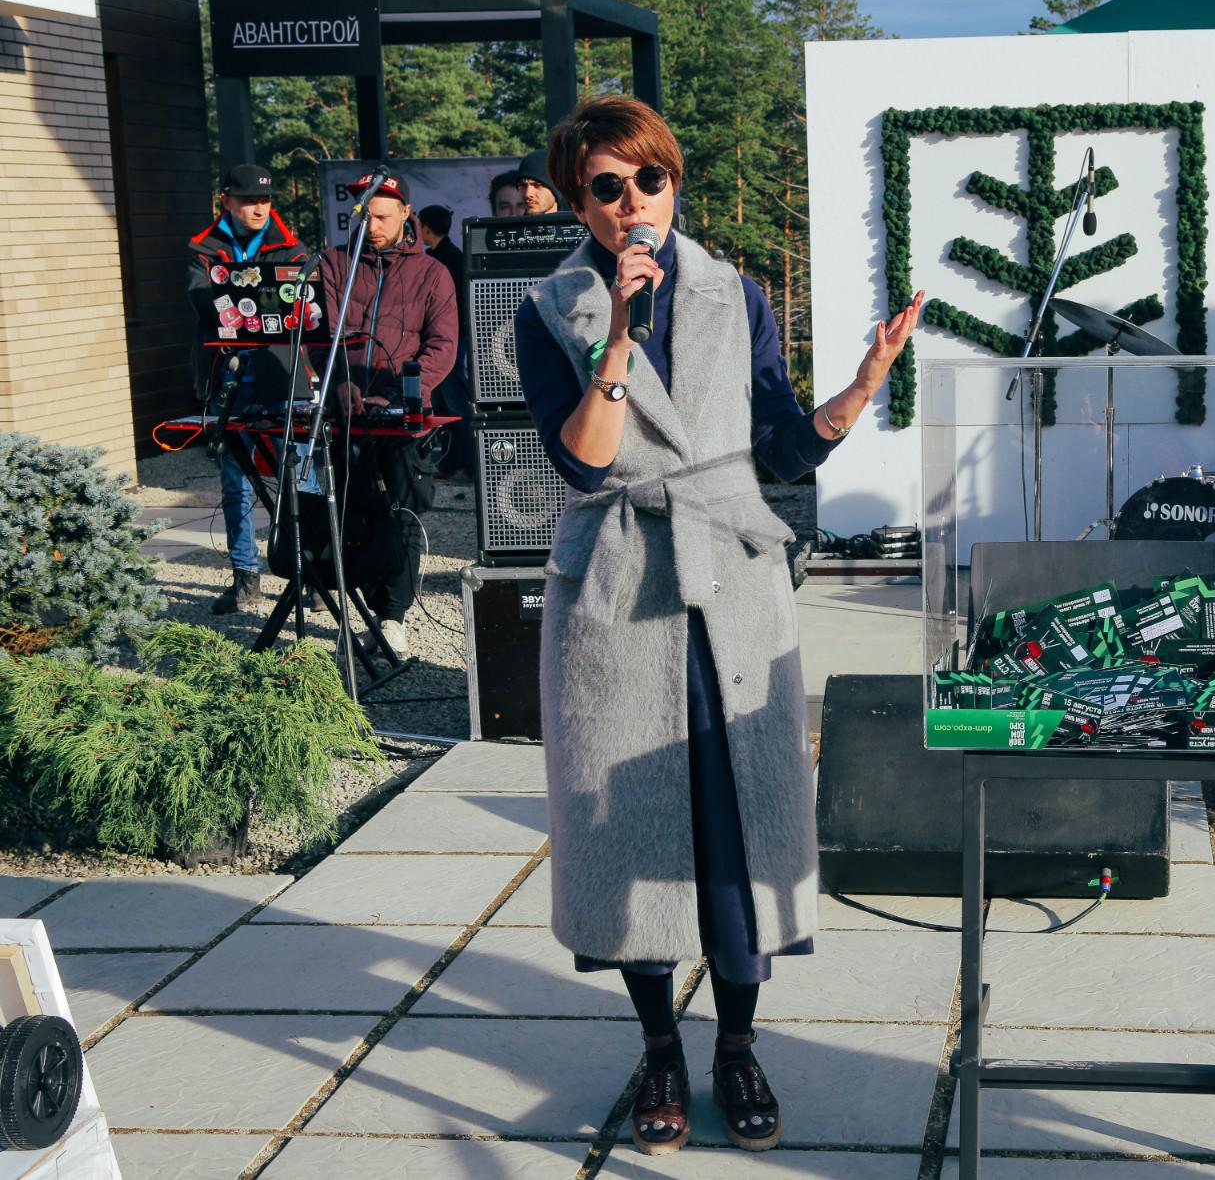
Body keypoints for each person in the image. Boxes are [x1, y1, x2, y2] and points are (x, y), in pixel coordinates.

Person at [516, 94, 923, 1157]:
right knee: (631, 825)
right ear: (579, 203)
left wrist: (858, 390)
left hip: (733, 581)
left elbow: (779, 445)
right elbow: (583, 462)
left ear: (674, 181)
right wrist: (617, 332)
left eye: (650, 178)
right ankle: (660, 1050)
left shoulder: (734, 292)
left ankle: (737, 1046)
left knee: (742, 821)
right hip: (618, 586)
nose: (634, 202)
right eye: (608, 186)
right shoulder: (549, 308)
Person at [314, 170, 460, 654]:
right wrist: (341, 382)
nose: (371, 225)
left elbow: (443, 346)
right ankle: (357, 609)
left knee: (402, 511)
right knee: (350, 511)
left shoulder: (432, 273)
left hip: (403, 415)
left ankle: (393, 614)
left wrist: (401, 393)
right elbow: (320, 333)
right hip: (346, 414)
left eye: (381, 216)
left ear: (405, 214)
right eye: (364, 215)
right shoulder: (334, 263)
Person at [186, 163, 310, 614]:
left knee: (300, 479)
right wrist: (257, 299)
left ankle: (309, 574)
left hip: (283, 376)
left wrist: (236, 297)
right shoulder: (203, 247)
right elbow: (201, 300)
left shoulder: (291, 245)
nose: (259, 208)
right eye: (248, 201)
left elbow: (300, 301)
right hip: (229, 378)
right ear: (226, 201)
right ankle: (245, 576)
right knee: (235, 484)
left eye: (265, 200)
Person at [416, 205, 475, 482]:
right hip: (443, 338)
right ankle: (451, 462)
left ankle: (468, 463)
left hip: (450, 340)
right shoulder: (447, 257)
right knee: (441, 404)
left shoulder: (446, 259)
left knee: (455, 403)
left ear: (426, 228)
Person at [516, 148, 562, 215]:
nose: (528, 194)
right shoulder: (508, 221)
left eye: (537, 185)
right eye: (523, 185)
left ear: (556, 188)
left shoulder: (575, 220)